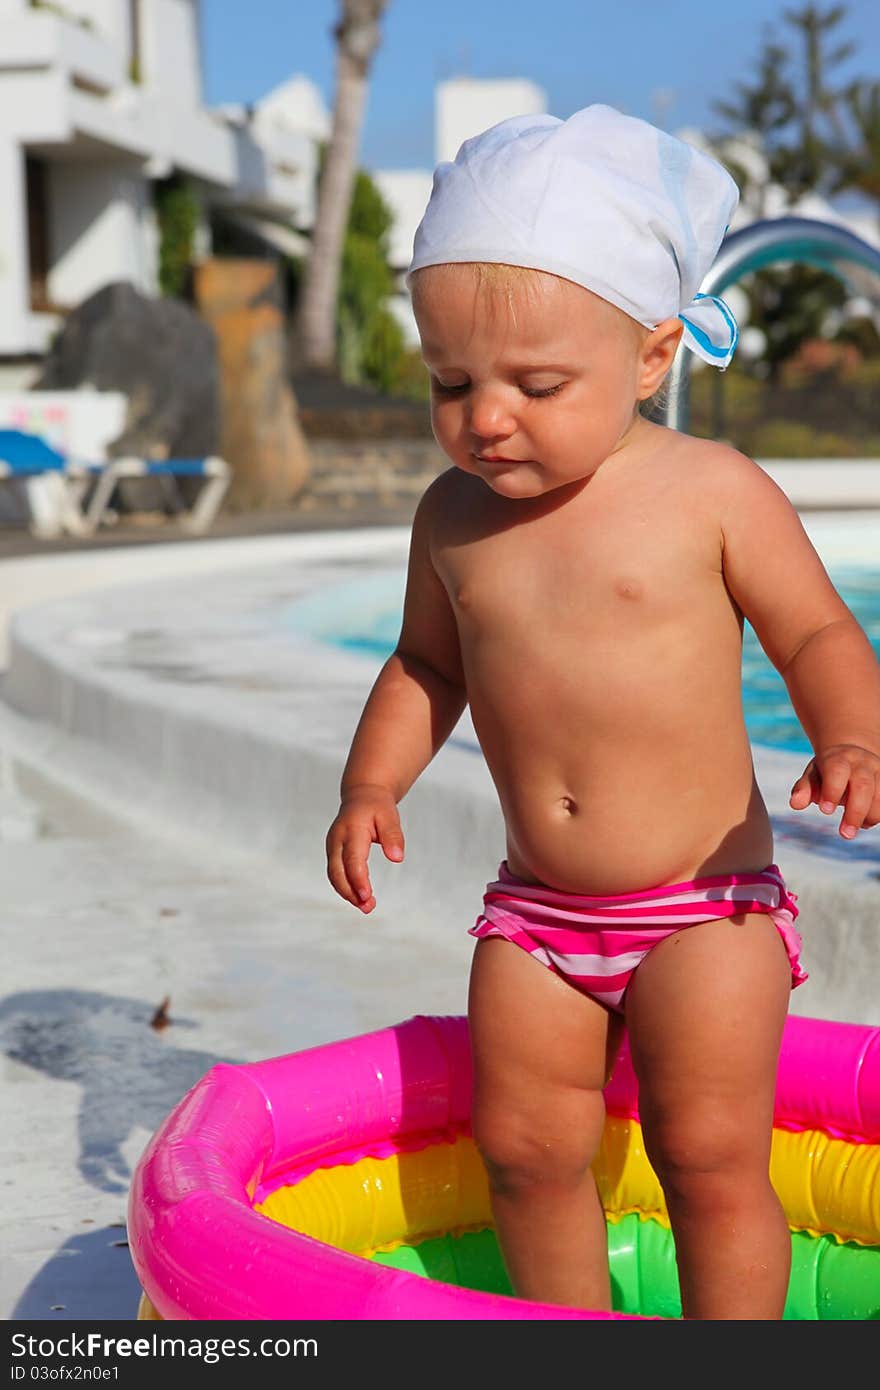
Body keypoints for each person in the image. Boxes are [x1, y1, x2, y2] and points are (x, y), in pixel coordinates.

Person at [324, 105, 880, 1320]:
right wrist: (372, 785)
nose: (486, 416)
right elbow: (425, 666)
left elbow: (818, 631)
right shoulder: (453, 520)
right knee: (522, 1151)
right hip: (534, 912)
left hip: (704, 907)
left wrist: (851, 736)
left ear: (650, 355)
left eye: (535, 383)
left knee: (709, 1153)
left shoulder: (709, 492)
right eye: (451, 381)